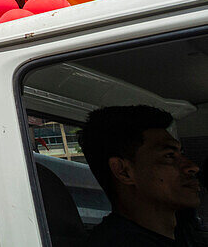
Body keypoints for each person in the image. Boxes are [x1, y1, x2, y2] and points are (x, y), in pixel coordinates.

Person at [78, 105, 203, 245]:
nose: (192, 167)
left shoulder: (184, 233)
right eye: (169, 156)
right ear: (123, 171)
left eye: (181, 154)